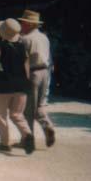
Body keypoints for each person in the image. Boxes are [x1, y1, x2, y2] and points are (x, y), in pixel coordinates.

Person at [0, 19, 35, 154]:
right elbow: (26, 65)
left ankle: (5, 144)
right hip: (21, 84)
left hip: (4, 84)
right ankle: (27, 135)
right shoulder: (22, 44)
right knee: (17, 114)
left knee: (2, 115)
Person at [18, 9, 56, 147]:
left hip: (32, 73)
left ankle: (28, 140)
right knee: (39, 106)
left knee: (28, 109)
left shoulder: (24, 39)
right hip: (45, 72)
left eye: (22, 22)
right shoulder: (44, 38)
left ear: (28, 24)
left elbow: (22, 61)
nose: (21, 25)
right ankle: (47, 126)